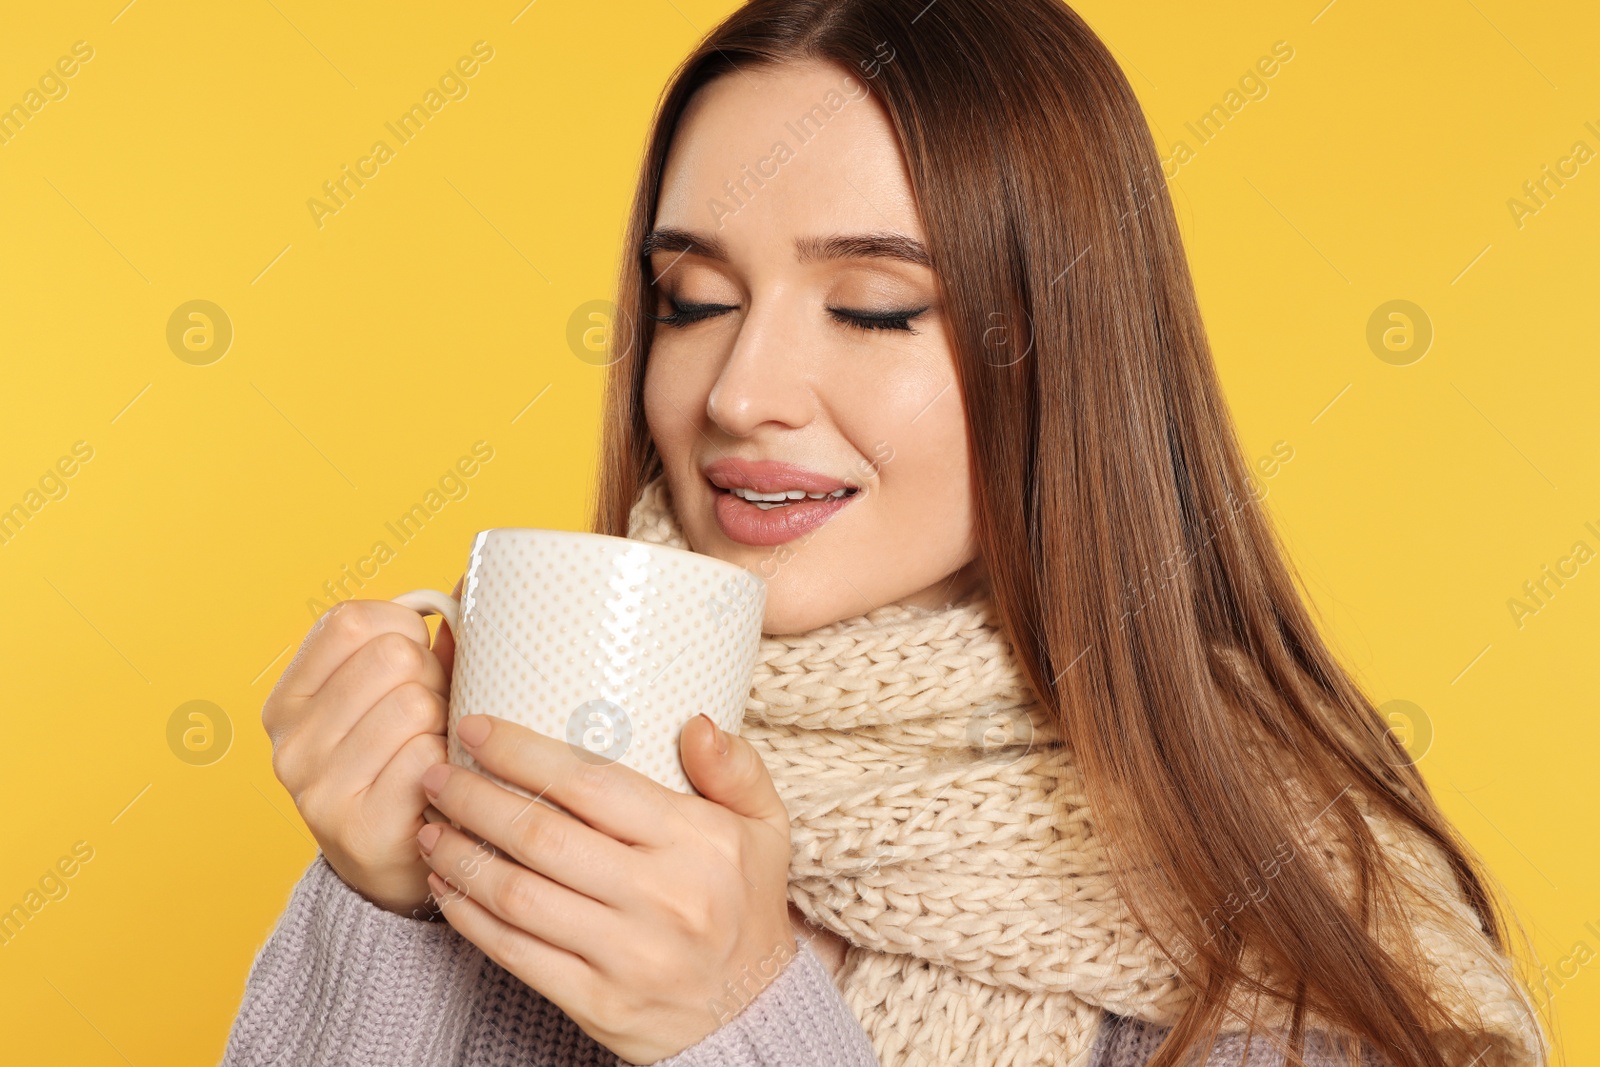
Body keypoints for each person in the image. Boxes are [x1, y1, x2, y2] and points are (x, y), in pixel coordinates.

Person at [221, 2, 1548, 1065]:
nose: (738, 393)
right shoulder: (522, 791)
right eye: (692, 301)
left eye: (871, 309)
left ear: (1065, 357)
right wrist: (387, 908)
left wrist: (741, 1029)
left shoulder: (1300, 930)